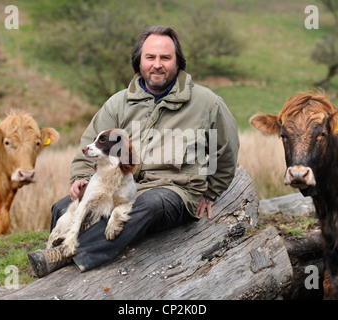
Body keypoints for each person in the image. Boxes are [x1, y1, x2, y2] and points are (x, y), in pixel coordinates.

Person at [28, 25, 239, 278]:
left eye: (165, 58)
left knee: (146, 205)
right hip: (122, 186)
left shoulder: (207, 103)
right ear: (139, 61)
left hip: (174, 191)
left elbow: (226, 149)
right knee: (63, 206)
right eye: (150, 57)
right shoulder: (118, 103)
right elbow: (89, 144)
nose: (157, 64)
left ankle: (66, 256)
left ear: (178, 62)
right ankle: (55, 253)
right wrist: (80, 179)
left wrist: (212, 191)